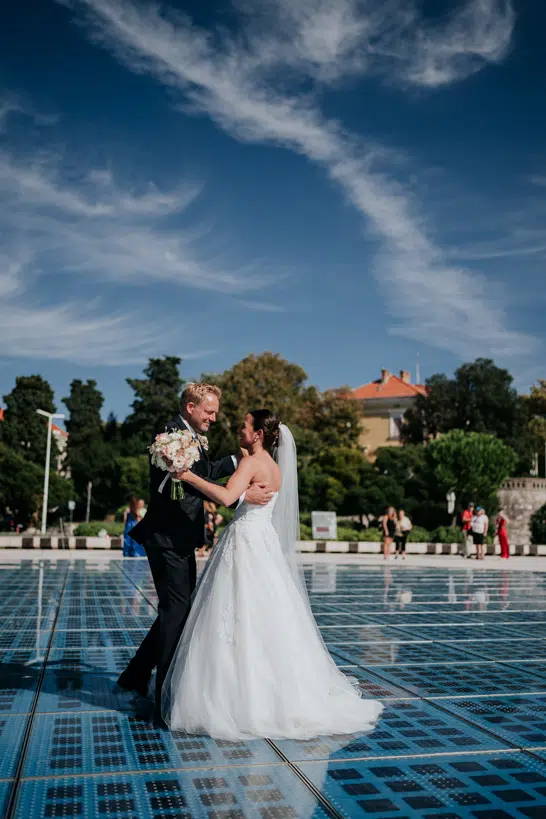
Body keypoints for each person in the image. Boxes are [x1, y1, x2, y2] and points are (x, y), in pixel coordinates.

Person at [161, 410, 384, 739]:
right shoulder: (275, 468)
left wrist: (185, 475)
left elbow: (225, 497)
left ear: (258, 435)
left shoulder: (252, 462)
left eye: (245, 426)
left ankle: (237, 701)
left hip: (245, 543)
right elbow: (243, 498)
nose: (240, 429)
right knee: (268, 617)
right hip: (263, 543)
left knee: (237, 616)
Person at [117, 383, 273, 722]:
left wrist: (236, 461)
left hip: (180, 539)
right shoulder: (170, 438)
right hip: (167, 538)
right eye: (209, 412)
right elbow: (185, 482)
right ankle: (166, 695)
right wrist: (242, 496)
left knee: (178, 610)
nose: (214, 418)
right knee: (177, 611)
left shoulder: (189, 437)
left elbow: (199, 474)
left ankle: (135, 674)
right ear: (190, 407)